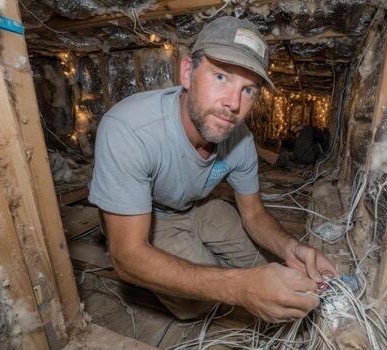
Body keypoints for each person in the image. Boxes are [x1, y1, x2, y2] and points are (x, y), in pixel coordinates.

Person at [89, 16, 336, 323]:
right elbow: (126, 257)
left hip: (197, 206)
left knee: (261, 264)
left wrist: (291, 247)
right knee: (195, 305)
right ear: (188, 73)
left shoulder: (241, 140)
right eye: (221, 77)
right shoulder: (130, 129)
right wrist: (239, 288)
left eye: (249, 90)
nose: (233, 104)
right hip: (148, 216)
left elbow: (254, 214)